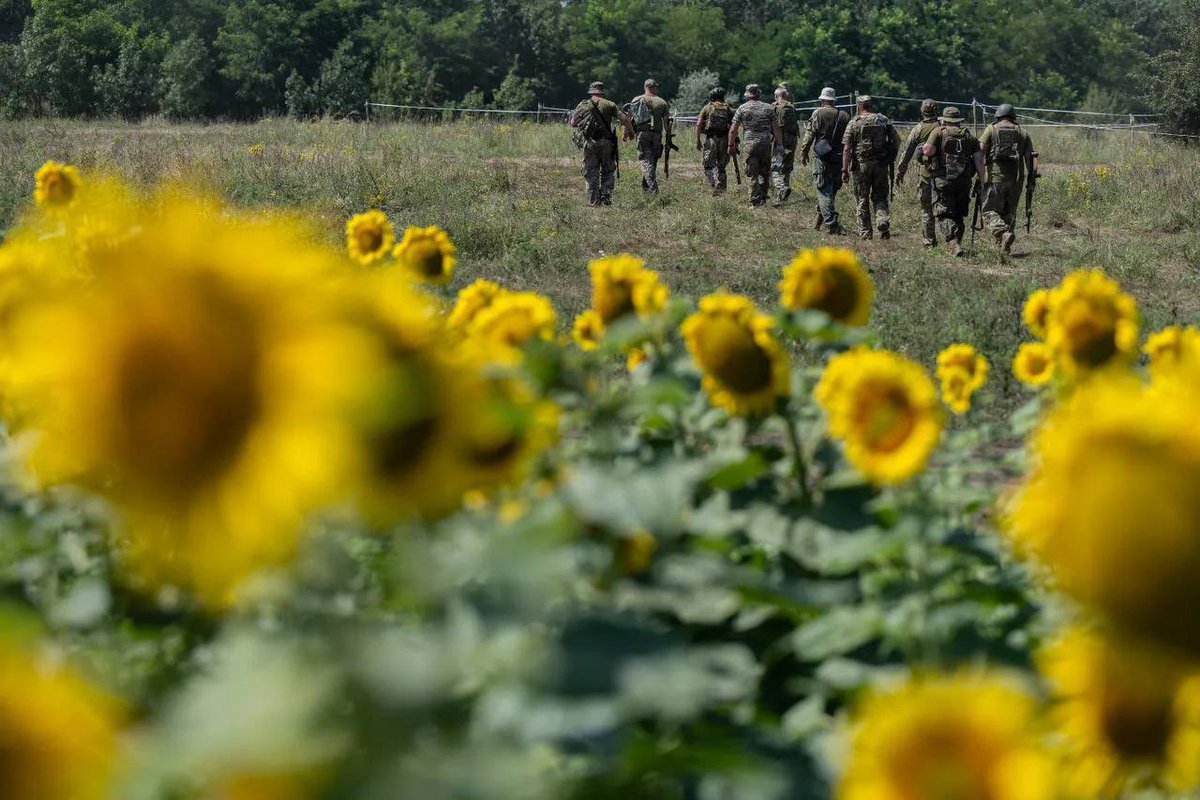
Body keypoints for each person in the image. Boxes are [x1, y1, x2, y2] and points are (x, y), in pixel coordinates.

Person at [920, 107, 986, 257]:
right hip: (964, 181)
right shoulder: (969, 136)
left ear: (945, 119)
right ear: (958, 120)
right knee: (958, 214)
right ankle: (957, 243)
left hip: (943, 181)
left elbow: (927, 151)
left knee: (944, 214)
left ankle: (953, 242)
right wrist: (983, 182)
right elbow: (979, 162)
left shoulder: (939, 132)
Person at [978, 103, 1038, 253]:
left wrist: (979, 170)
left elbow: (980, 150)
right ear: (1013, 116)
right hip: (1016, 179)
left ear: (998, 115)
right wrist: (1031, 179)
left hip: (994, 178)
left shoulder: (991, 129)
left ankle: (1002, 233)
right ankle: (1005, 248)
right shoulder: (1023, 132)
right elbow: (1031, 160)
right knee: (1009, 212)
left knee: (989, 211)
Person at [842, 95, 901, 240]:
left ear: (859, 106)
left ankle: (866, 233)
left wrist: (844, 169)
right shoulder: (883, 120)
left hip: (861, 166)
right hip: (881, 164)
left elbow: (847, 148)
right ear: (870, 105)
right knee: (880, 196)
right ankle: (882, 220)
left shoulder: (853, 123)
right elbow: (897, 140)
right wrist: (891, 157)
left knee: (862, 199)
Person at [570, 81, 634, 206]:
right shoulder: (609, 104)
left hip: (590, 142)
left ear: (591, 91)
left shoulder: (583, 105)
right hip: (607, 142)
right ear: (602, 91)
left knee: (591, 171)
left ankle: (594, 201)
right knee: (608, 170)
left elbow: (573, 123)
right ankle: (606, 197)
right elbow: (624, 119)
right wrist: (631, 132)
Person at [800, 87, 849, 233]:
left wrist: (804, 151)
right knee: (831, 190)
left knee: (823, 190)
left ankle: (831, 224)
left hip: (822, 157)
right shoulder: (844, 116)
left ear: (822, 99)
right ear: (834, 100)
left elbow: (809, 134)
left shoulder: (818, 113)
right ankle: (818, 223)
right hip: (839, 158)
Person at [894, 99, 941, 247]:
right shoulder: (943, 127)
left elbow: (906, 153)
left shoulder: (918, 129)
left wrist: (900, 173)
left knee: (926, 210)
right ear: (937, 111)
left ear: (922, 111)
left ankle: (929, 242)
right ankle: (952, 239)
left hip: (926, 174)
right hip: (944, 175)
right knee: (945, 209)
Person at [727, 84, 782, 207]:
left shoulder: (742, 109)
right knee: (764, 173)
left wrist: (730, 145)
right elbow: (776, 128)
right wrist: (780, 144)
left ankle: (755, 202)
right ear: (759, 94)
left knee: (752, 174)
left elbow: (733, 130)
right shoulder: (768, 108)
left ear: (747, 95)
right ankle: (763, 197)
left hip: (750, 146)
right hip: (765, 145)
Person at [627, 78, 671, 193]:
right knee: (652, 162)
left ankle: (653, 189)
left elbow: (630, 119)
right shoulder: (662, 102)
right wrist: (668, 136)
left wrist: (627, 133)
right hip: (656, 135)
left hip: (642, 135)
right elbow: (666, 122)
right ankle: (647, 191)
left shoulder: (636, 99)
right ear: (654, 87)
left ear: (645, 87)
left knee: (646, 162)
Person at [695, 86, 734, 194]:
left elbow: (698, 124)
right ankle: (721, 188)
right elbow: (733, 126)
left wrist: (698, 140)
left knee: (708, 164)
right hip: (724, 139)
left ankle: (714, 183)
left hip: (711, 140)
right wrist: (733, 142)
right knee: (722, 166)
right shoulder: (728, 108)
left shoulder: (707, 107)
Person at [771, 85, 800, 205]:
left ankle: (782, 188)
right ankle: (783, 196)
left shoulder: (774, 107)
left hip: (781, 142)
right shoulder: (792, 107)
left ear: (776, 96)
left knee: (776, 167)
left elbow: (772, 125)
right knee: (787, 167)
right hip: (792, 141)